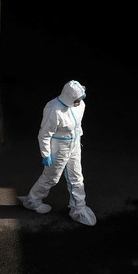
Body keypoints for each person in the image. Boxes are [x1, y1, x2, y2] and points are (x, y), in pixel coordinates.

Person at [19, 80, 97, 226]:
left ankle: (78, 208)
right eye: (77, 98)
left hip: (74, 144)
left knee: (77, 177)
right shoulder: (54, 109)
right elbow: (44, 134)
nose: (80, 101)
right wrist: (46, 154)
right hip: (59, 147)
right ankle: (33, 200)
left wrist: (77, 140)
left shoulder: (80, 105)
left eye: (81, 97)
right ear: (69, 97)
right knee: (51, 178)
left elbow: (78, 125)